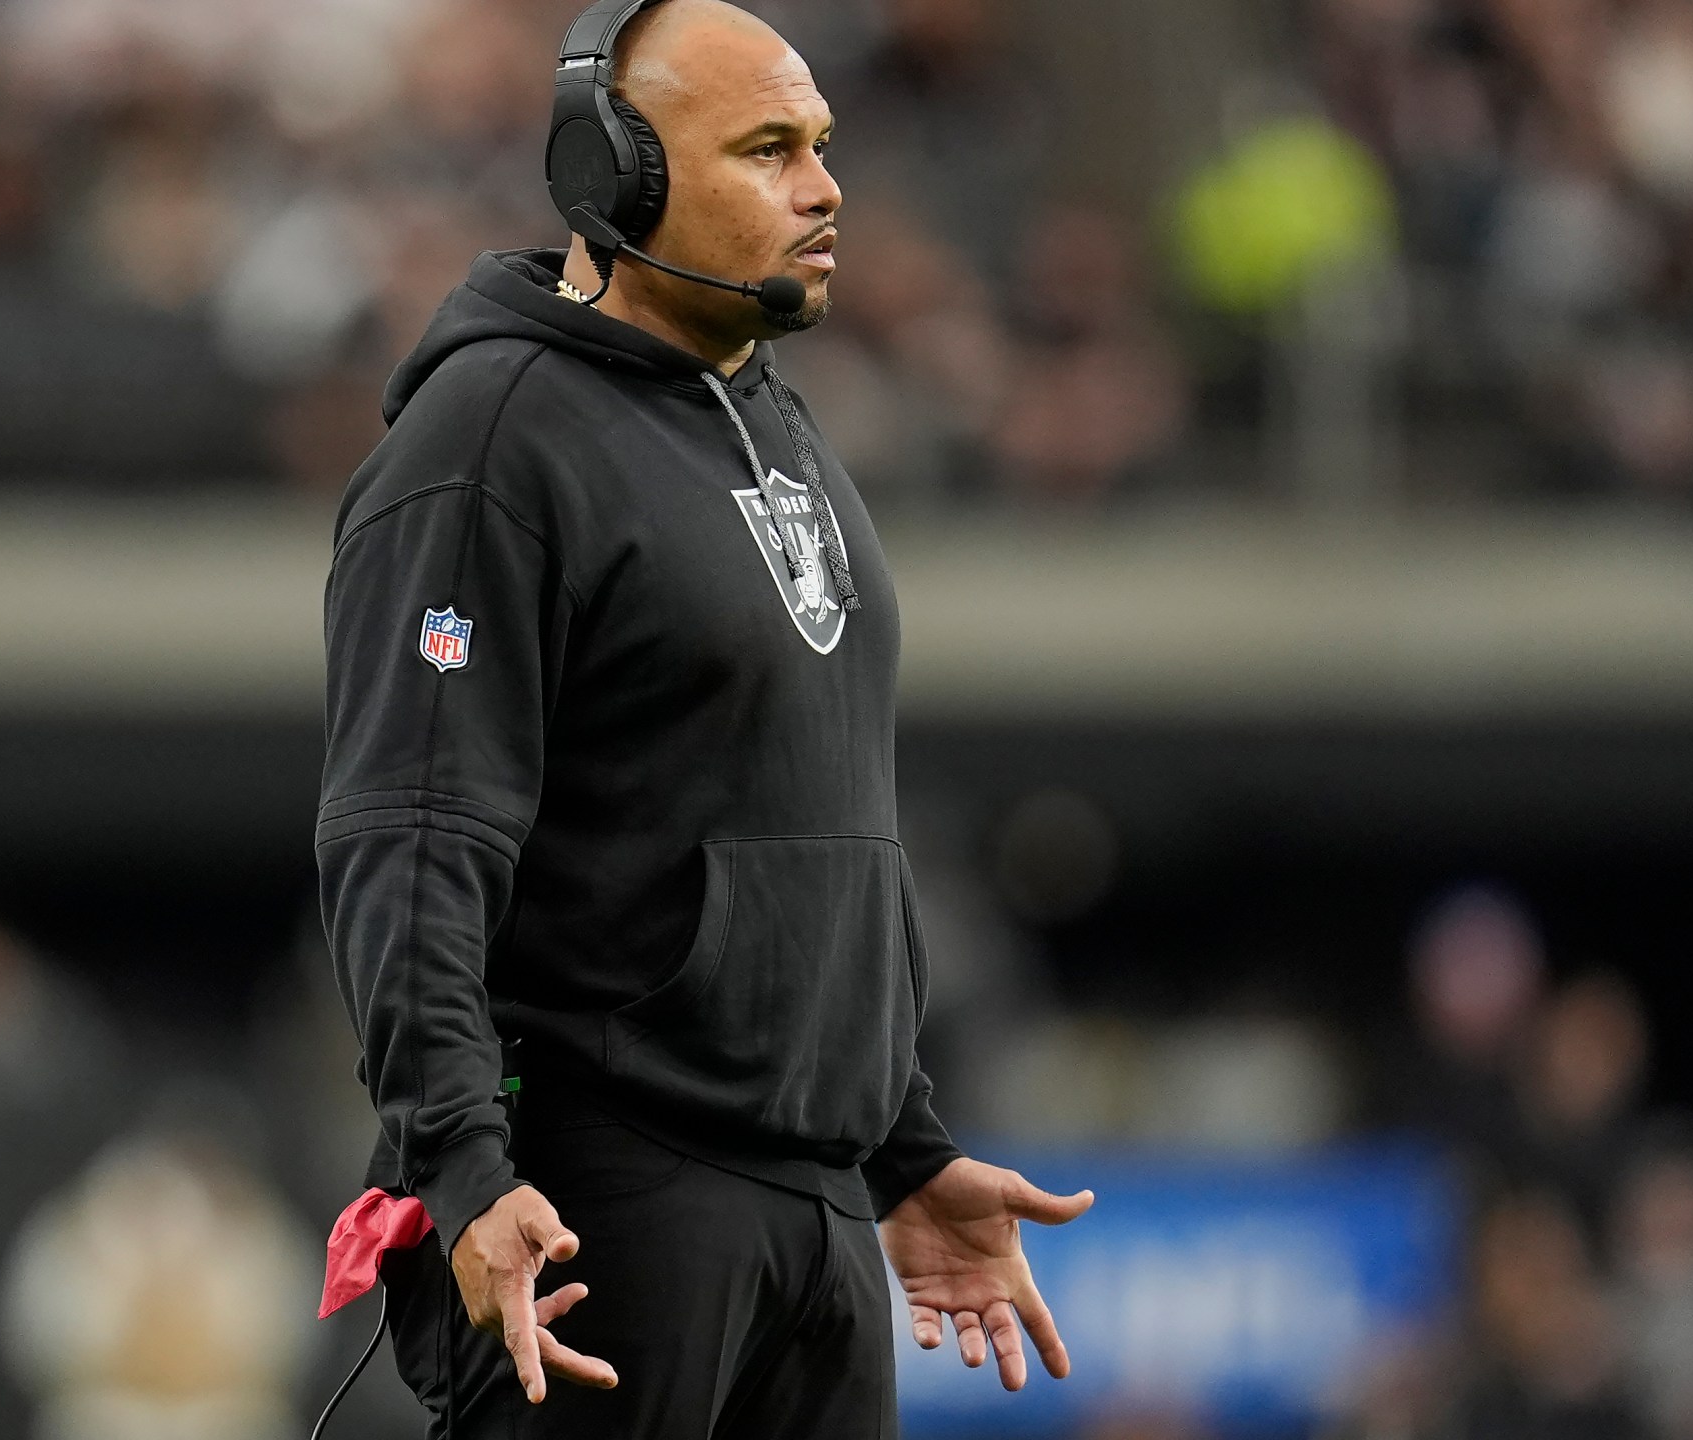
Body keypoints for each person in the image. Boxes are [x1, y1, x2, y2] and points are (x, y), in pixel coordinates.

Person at [313, 3, 1092, 1436]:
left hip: (813, 1208)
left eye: (824, 146)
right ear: (613, 178)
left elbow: (817, 821)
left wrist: (902, 1149)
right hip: (602, 1202)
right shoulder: (490, 436)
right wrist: (465, 1173)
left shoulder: (779, 423)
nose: (825, 185)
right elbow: (410, 838)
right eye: (769, 149)